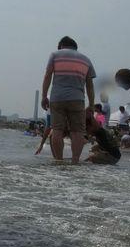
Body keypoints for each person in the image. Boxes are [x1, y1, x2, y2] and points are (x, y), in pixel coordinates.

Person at [40, 37, 95, 165]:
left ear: (61, 46)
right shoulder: (86, 59)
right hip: (77, 98)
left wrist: (44, 96)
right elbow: (90, 85)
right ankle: (75, 161)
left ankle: (58, 160)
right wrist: (91, 104)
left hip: (57, 98)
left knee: (57, 129)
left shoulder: (55, 55)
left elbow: (48, 75)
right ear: (75, 47)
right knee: (77, 131)